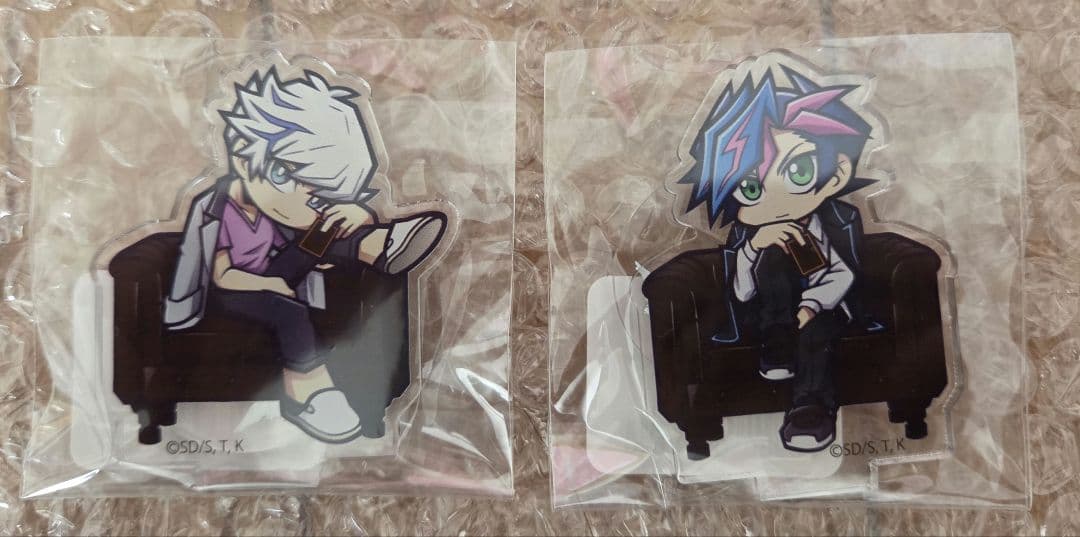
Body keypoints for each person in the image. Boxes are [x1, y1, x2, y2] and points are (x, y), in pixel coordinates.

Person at [164, 67, 445, 443]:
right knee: (289, 310)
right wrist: (268, 285)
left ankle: (382, 244)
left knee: (328, 232)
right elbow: (222, 275)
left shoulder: (273, 205)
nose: (307, 199)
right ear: (245, 162)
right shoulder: (216, 210)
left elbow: (310, 234)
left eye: (316, 191)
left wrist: (357, 214)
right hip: (234, 292)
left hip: (277, 272)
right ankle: (307, 393)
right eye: (291, 180)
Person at [679, 65, 876, 452]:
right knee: (771, 260)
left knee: (818, 333)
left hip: (823, 311)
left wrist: (810, 307)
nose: (777, 196)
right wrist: (754, 247)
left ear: (836, 174)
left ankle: (810, 412)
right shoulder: (746, 235)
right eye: (751, 187)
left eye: (798, 171)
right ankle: (777, 344)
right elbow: (742, 292)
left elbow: (842, 275)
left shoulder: (837, 220)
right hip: (767, 321)